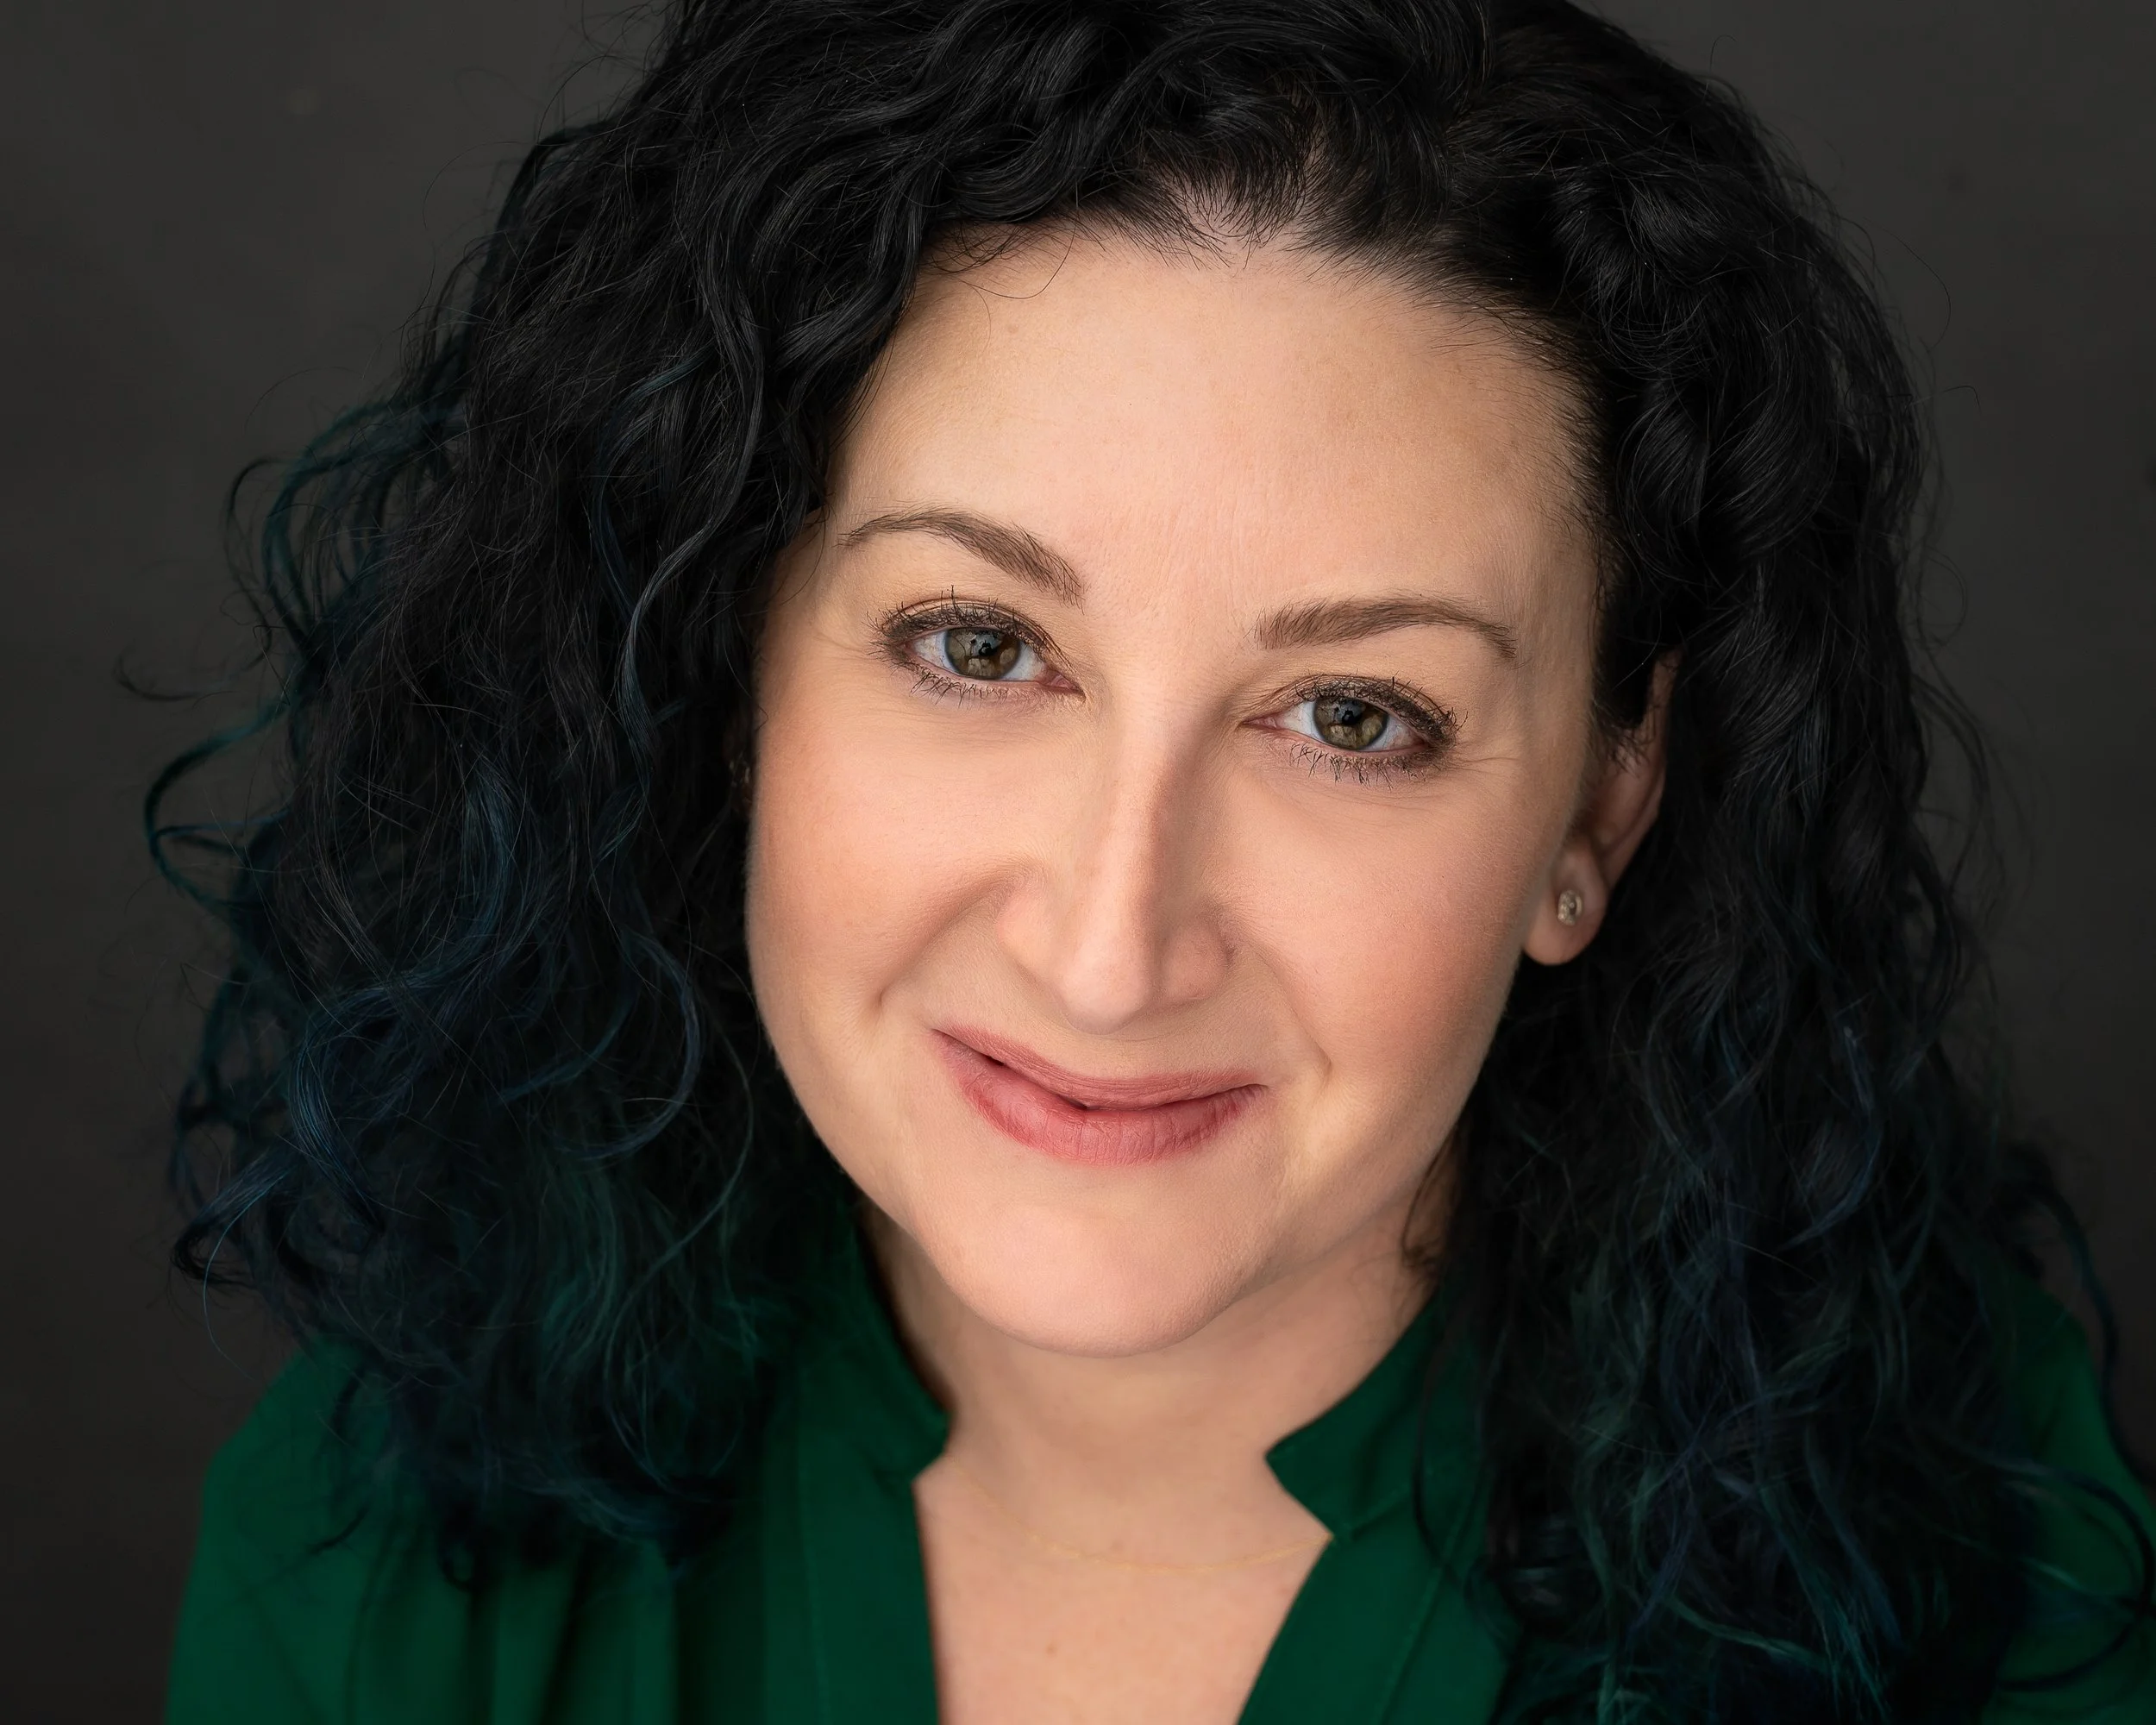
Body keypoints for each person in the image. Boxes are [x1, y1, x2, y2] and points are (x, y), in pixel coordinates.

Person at [155, 1, 2154, 1719]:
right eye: (978, 646)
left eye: (1350, 717)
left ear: (1594, 814)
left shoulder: (1979, 1587)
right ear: (728, 671)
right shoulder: (377, 1552)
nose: (1108, 953)